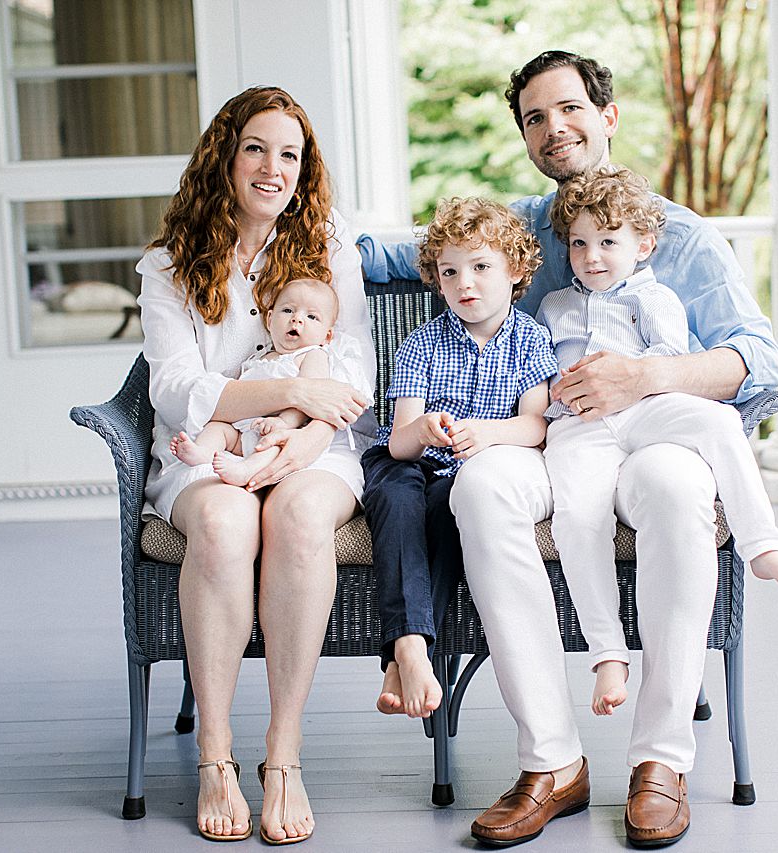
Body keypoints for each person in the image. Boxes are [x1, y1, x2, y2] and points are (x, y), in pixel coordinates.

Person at [360, 51, 778, 848]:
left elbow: (758, 360)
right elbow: (396, 253)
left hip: (655, 432)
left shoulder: (679, 235)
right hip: (557, 438)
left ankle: (661, 760)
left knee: (676, 488)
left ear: (607, 115)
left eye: (568, 109)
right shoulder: (523, 227)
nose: (553, 128)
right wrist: (292, 242)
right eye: (534, 117)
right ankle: (552, 760)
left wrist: (648, 374)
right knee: (480, 487)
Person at [138, 86, 374, 845]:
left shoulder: (331, 244)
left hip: (316, 441)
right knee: (223, 515)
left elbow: (357, 367)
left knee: (300, 513)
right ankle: (215, 752)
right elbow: (175, 391)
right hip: (204, 450)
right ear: (225, 156)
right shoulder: (170, 262)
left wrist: (303, 433)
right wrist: (287, 387)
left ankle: (283, 752)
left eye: (291, 155)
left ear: (304, 171)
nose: (273, 168)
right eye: (257, 148)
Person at [540, 166, 778, 719]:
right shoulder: (554, 307)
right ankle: (607, 652)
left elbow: (666, 361)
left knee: (717, 425)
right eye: (579, 244)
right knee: (577, 516)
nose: (593, 256)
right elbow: (541, 365)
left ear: (643, 245)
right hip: (579, 424)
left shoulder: (656, 297)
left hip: (646, 409)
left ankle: (762, 545)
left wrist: (633, 378)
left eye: (608, 242)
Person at [361, 197, 558, 719]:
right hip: (409, 461)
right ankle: (410, 650)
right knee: (397, 496)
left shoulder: (531, 341)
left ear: (515, 270)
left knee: (452, 509)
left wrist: (488, 435)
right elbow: (398, 441)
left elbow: (535, 426)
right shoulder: (422, 343)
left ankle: (405, 654)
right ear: (436, 280)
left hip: (469, 470)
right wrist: (425, 430)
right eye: (450, 271)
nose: (464, 283)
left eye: (480, 266)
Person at [169, 277, 371, 489]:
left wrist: (284, 422)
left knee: (276, 443)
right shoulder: (261, 358)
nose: (297, 319)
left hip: (283, 433)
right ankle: (203, 452)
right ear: (269, 320)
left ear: (327, 336)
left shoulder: (312, 355)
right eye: (287, 311)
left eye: (311, 316)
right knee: (216, 427)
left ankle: (246, 470)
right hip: (245, 432)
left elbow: (311, 399)